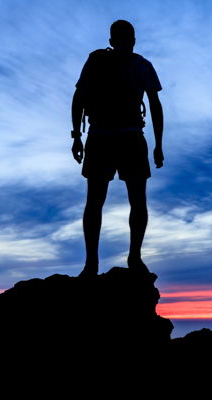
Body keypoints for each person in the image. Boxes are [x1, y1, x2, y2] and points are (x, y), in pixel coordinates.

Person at [70, 19, 164, 277]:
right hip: (105, 136)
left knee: (127, 200)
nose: (125, 41)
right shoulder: (99, 61)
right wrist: (76, 136)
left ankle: (131, 258)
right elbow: (78, 98)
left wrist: (158, 145)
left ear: (133, 39)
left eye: (128, 37)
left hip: (125, 136)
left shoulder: (141, 65)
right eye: (122, 37)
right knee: (99, 201)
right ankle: (95, 264)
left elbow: (155, 105)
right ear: (113, 41)